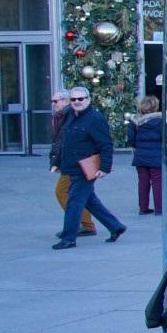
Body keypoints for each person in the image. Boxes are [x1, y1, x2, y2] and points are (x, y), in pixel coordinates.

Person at [53, 86, 126, 249]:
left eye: (81, 99)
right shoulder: (70, 116)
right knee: (90, 201)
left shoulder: (95, 118)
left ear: (88, 99)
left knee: (74, 202)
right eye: (73, 99)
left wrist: (105, 167)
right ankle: (115, 226)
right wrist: (57, 163)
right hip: (71, 166)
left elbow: (105, 144)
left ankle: (68, 238)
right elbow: (63, 142)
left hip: (85, 169)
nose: (77, 102)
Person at [46, 88, 95, 236]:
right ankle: (100, 225)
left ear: (66, 101)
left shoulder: (70, 115)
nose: (54, 104)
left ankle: (83, 225)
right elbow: (60, 142)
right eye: (52, 101)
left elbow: (65, 142)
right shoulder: (62, 116)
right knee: (87, 197)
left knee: (62, 191)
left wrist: (59, 162)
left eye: (56, 101)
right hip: (72, 161)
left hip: (75, 163)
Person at [129, 94, 163, 215]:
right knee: (157, 182)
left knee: (143, 182)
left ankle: (143, 208)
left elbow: (131, 140)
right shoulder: (160, 121)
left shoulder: (135, 121)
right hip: (156, 156)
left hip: (140, 156)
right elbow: (164, 138)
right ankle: (159, 208)